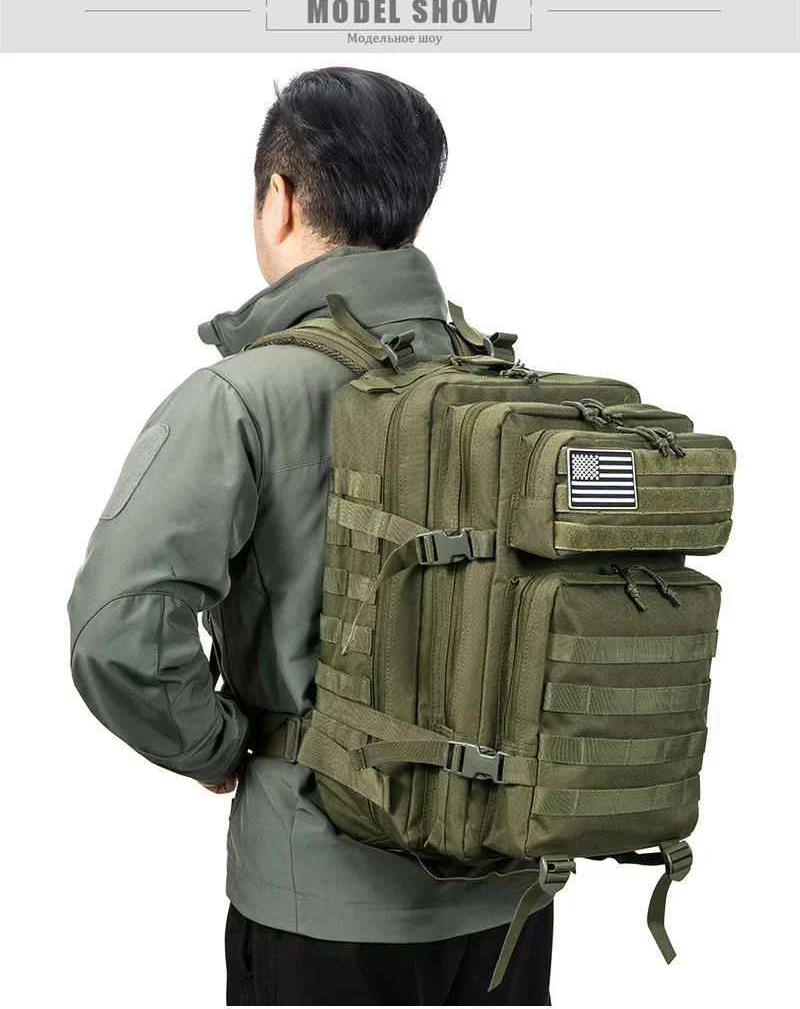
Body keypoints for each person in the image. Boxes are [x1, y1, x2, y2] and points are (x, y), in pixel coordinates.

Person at [68, 66, 553, 1006]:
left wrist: (216, 748)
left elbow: (116, 632)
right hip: (510, 899)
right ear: (416, 209)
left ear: (279, 199)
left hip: (321, 900)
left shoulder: (242, 397)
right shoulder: (510, 390)